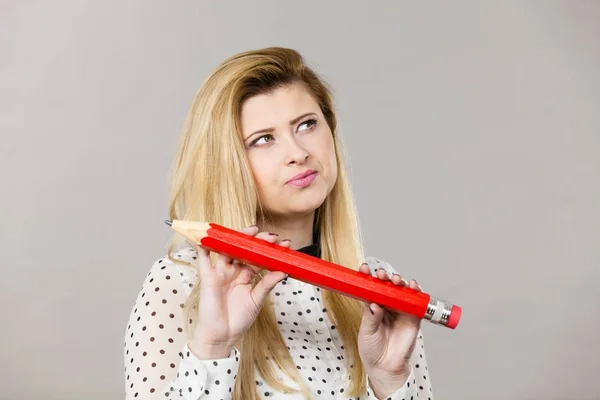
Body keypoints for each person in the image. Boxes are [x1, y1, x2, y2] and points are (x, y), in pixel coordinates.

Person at [124, 47, 434, 400]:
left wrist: (390, 380)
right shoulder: (180, 283)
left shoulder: (380, 293)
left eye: (307, 124)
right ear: (228, 163)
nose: (298, 152)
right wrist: (213, 348)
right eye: (264, 139)